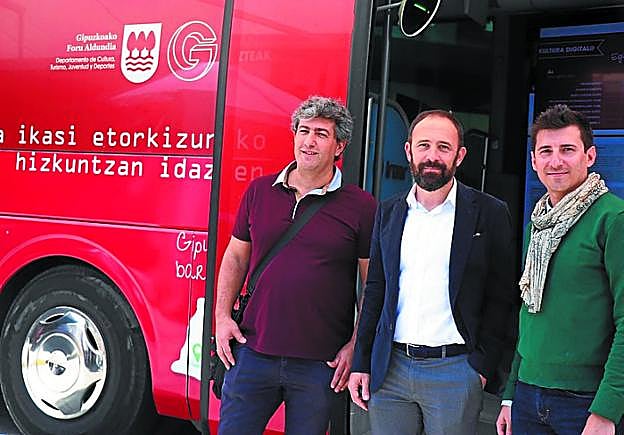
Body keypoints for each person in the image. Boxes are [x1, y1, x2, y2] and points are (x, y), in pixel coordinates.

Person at [214, 96, 376, 435]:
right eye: (304, 131)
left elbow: (373, 284)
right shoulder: (259, 191)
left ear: (339, 146)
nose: (309, 141)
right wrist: (222, 317)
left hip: (320, 365)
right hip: (252, 351)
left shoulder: (361, 206)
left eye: (321, 134)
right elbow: (236, 257)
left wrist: (356, 346)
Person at [348, 109, 516, 434]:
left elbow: (502, 297)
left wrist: (481, 367)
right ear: (409, 150)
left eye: (443, 147)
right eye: (424, 145)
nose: (432, 156)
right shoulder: (389, 211)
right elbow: (376, 289)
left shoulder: (490, 213)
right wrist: (362, 361)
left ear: (460, 156)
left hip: (455, 370)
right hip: (390, 370)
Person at [496, 104, 624, 435]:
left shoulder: (613, 220)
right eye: (546, 151)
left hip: (585, 400)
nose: (556, 161)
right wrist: (510, 395)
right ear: (533, 160)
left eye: (567, 149)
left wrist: (608, 409)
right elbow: (529, 315)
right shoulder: (538, 226)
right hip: (528, 395)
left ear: (590, 156)